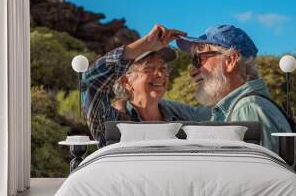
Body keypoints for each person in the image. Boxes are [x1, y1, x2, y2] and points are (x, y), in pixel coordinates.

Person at [82, 24, 210, 147]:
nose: (160, 74)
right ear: (126, 82)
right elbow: (90, 82)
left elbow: (216, 116)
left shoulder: (177, 112)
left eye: (163, 68)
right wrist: (146, 43)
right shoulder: (112, 118)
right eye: (149, 68)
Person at [176, 24, 291, 154]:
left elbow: (259, 173)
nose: (192, 71)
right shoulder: (242, 107)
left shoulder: (247, 109)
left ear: (230, 60)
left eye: (199, 59)